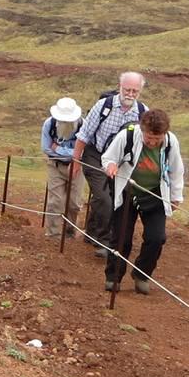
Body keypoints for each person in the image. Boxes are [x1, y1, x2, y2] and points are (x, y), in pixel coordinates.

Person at [102, 109, 184, 294]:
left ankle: (141, 274)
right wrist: (111, 165)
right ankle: (113, 277)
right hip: (127, 192)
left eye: (157, 139)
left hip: (155, 194)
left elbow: (177, 170)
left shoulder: (171, 142)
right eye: (149, 138)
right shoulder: (127, 136)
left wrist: (176, 197)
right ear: (142, 129)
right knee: (121, 237)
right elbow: (107, 158)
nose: (153, 143)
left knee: (157, 238)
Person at [72, 72, 149, 257]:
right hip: (96, 155)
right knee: (104, 198)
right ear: (119, 87)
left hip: (120, 163)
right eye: (127, 89)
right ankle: (105, 241)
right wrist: (75, 161)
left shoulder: (142, 111)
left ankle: (90, 233)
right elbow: (84, 134)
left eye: (135, 91)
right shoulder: (104, 106)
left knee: (113, 198)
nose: (130, 94)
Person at [41, 97, 86, 238]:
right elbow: (46, 148)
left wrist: (59, 149)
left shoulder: (84, 126)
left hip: (78, 167)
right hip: (56, 166)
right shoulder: (49, 124)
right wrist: (73, 154)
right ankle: (53, 233)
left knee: (74, 202)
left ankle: (70, 231)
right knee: (55, 201)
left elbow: (85, 151)